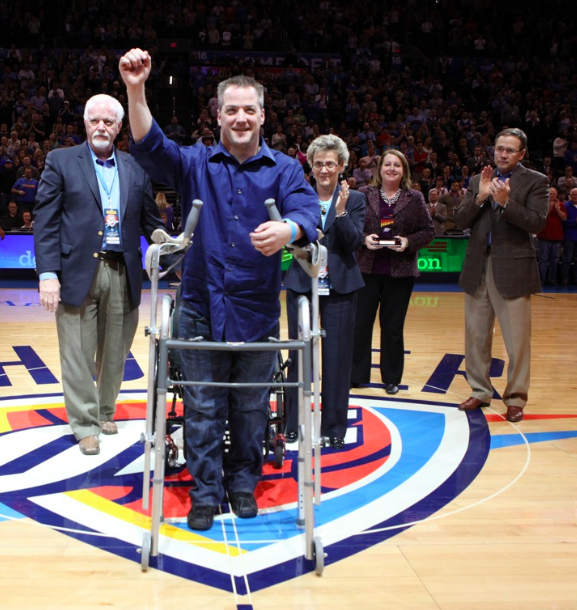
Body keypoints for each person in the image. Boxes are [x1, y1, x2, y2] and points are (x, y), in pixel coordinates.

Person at [119, 48, 319, 531]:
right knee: (204, 406)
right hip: (199, 306)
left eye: (250, 109)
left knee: (251, 406)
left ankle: (243, 484)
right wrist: (136, 89)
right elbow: (149, 146)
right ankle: (206, 491)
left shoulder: (285, 169)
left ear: (263, 115)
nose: (241, 117)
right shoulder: (194, 162)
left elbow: (308, 212)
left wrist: (289, 232)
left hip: (256, 310)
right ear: (219, 114)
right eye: (232, 109)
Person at [34, 93, 165, 456]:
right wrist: (48, 273)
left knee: (116, 350)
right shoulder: (60, 161)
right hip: (77, 271)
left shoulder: (135, 168)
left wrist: (166, 241)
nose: (102, 127)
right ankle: (85, 423)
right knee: (77, 351)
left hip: (123, 270)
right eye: (95, 120)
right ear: (85, 124)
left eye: (109, 121)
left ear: (120, 127)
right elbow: (45, 221)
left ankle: (106, 410)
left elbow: (151, 224)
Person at [454, 128, 548, 423]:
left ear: (521, 154)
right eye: (499, 148)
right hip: (477, 267)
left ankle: (516, 398)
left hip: (513, 268)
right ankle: (480, 391)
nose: (503, 154)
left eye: (510, 150)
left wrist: (507, 202)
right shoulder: (476, 180)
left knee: (517, 340)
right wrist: (480, 197)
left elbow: (537, 223)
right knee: (476, 335)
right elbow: (460, 219)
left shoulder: (536, 181)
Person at [284, 135, 365, 449]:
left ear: (341, 166)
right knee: (298, 355)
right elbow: (292, 239)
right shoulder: (298, 195)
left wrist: (341, 213)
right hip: (301, 284)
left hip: (341, 287)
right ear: (311, 166)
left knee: (337, 359)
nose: (324, 169)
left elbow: (353, 244)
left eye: (331, 163)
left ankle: (334, 428)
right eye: (318, 163)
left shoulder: (355, 199)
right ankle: (291, 423)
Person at [351, 150, 435, 394]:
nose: (391, 168)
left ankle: (391, 378)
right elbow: (348, 227)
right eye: (387, 164)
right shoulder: (363, 194)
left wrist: (407, 242)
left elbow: (428, 231)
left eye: (396, 165)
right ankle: (356, 375)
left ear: (404, 171)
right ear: (379, 170)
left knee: (393, 327)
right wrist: (364, 239)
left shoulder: (415, 197)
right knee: (360, 325)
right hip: (366, 269)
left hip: (400, 272)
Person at [536, 187, 566, 287]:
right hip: (544, 236)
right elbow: (540, 218)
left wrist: (557, 210)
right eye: (550, 193)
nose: (552, 195)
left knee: (554, 260)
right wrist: (549, 208)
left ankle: (552, 280)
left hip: (557, 237)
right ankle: (541, 280)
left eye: (554, 193)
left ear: (556, 194)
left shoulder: (561, 204)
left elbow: (564, 218)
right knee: (543, 260)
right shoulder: (542, 204)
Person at [560, 187, 577, 286]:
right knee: (567, 259)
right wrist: (575, 221)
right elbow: (564, 221)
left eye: (576, 195)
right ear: (570, 196)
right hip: (569, 237)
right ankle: (564, 279)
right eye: (573, 195)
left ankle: (575, 279)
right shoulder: (565, 206)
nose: (575, 197)